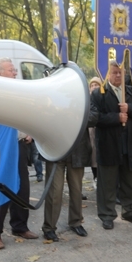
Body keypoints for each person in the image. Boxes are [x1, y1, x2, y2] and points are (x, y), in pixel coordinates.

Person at [0, 57, 39, 249]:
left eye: (14, 70)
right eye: (11, 70)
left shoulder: (17, 93)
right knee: (0, 188)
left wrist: (28, 132)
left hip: (18, 146)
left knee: (22, 188)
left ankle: (19, 226)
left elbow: (24, 117)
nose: (15, 72)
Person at [91, 60, 132, 229]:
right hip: (109, 144)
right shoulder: (98, 94)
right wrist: (116, 118)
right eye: (114, 72)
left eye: (120, 73)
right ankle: (107, 214)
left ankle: (129, 211)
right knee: (107, 183)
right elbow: (95, 118)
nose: (117, 75)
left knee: (129, 181)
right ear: (107, 73)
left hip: (129, 144)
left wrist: (129, 108)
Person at [42, 93, 99, 241]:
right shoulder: (51, 94)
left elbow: (94, 117)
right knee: (55, 191)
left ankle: (75, 222)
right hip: (56, 150)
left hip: (77, 151)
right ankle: (49, 227)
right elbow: (43, 116)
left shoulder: (84, 96)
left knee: (76, 190)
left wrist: (73, 116)